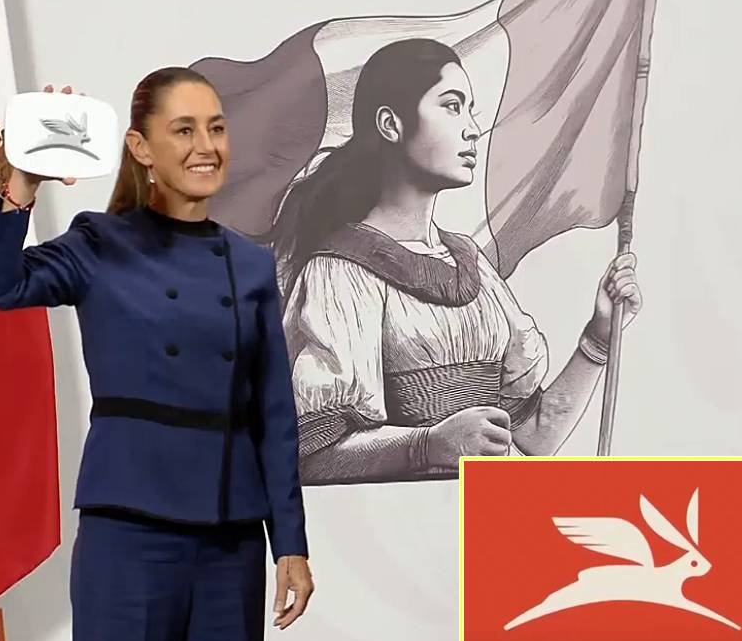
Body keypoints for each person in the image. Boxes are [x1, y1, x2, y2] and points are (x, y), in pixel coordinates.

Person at [0, 70, 314, 641]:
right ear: (141, 147)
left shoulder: (251, 263)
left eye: (215, 128)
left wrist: (289, 543)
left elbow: (274, 414)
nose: (205, 146)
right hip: (129, 533)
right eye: (183, 130)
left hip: (230, 541)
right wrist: (23, 184)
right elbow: (0, 285)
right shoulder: (98, 243)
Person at [265, 38, 643, 485]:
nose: (472, 129)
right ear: (390, 124)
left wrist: (598, 337)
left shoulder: (471, 264)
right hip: (398, 525)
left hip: (483, 517)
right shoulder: (342, 271)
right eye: (451, 106)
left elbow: (536, 437)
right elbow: (310, 454)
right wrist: (428, 445)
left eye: (470, 110)